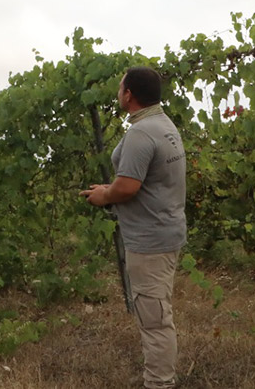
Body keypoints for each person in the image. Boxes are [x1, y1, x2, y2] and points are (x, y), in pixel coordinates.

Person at [81, 66, 187, 388]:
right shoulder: (164, 125)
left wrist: (105, 196)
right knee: (158, 312)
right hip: (166, 231)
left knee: (154, 321)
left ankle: (159, 383)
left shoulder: (141, 133)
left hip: (149, 240)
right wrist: (109, 189)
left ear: (129, 95)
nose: (117, 92)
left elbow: (127, 187)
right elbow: (140, 180)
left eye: (120, 87)